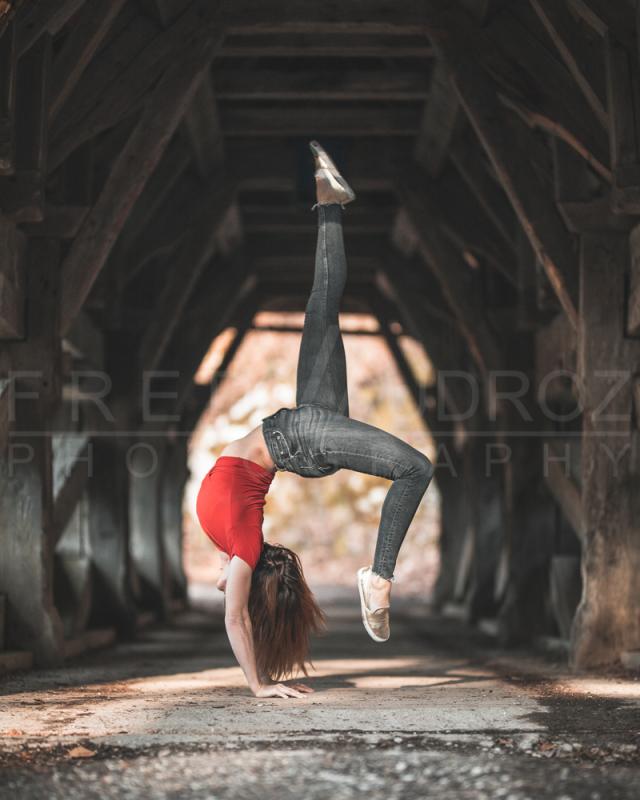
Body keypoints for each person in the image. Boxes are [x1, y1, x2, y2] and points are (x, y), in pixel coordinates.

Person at [196, 141, 434, 699]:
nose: (280, 564)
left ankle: (329, 202)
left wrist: (257, 685)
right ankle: (378, 576)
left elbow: (236, 618)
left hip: (299, 434)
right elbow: (236, 611)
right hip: (298, 439)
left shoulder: (240, 549)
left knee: (322, 307)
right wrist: (258, 683)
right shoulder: (234, 544)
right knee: (416, 468)